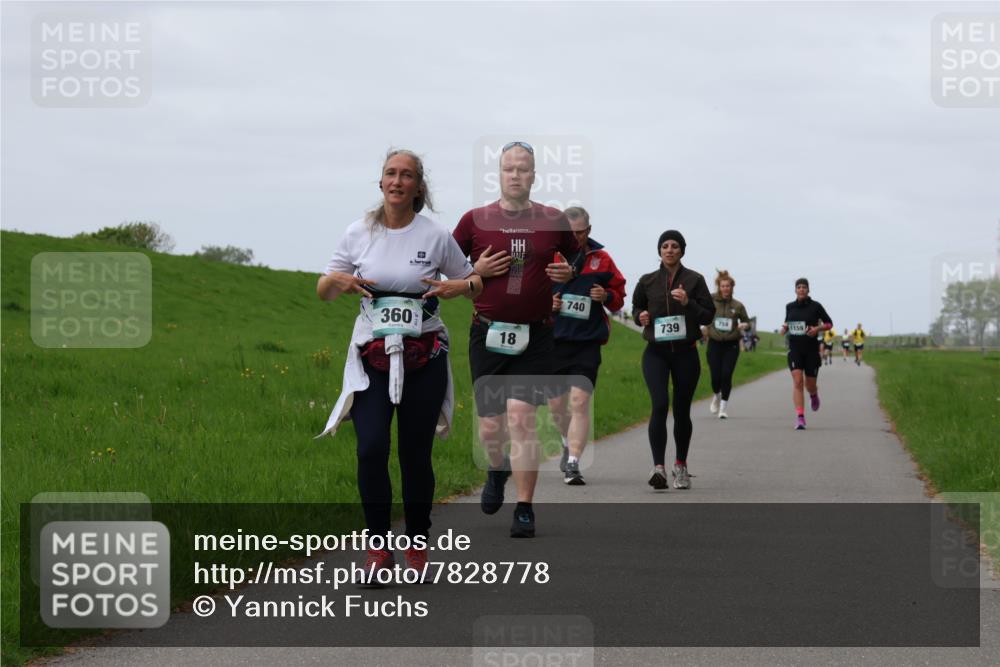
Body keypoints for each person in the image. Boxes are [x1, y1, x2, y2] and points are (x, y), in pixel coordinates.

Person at [317, 149, 481, 581]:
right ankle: (376, 547)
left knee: (414, 453)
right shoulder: (359, 232)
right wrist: (340, 281)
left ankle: (417, 543)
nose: (397, 181)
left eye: (406, 175)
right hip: (372, 354)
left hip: (423, 355)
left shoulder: (436, 235)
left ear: (418, 186)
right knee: (370, 449)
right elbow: (324, 290)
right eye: (390, 173)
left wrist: (455, 287)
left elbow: (474, 283)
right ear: (381, 182)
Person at [453, 141, 577, 537]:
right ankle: (496, 468)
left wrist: (567, 275)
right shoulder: (475, 220)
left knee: (522, 419)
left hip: (536, 335)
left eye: (523, 169)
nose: (516, 175)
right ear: (499, 173)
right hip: (486, 334)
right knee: (491, 429)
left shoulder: (553, 219)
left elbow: (575, 257)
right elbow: (450, 268)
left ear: (534, 175)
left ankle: (524, 507)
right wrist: (475, 268)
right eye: (509, 168)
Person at [549, 206, 627, 484]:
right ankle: (565, 440)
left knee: (580, 402)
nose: (576, 238)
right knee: (557, 407)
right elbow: (526, 294)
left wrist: (605, 295)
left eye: (580, 233)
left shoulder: (602, 260)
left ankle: (573, 463)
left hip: (587, 342)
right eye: (570, 233)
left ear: (589, 231)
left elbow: (619, 298)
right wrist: (549, 304)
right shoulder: (550, 257)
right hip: (553, 341)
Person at [633, 230, 714, 490]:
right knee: (659, 405)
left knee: (681, 411)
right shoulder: (647, 281)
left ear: (682, 251)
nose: (669, 250)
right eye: (665, 246)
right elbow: (636, 308)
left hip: (686, 352)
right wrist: (640, 316)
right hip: (656, 353)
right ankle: (659, 468)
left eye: (675, 246)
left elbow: (707, 316)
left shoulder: (694, 280)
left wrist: (689, 302)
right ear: (659, 251)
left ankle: (681, 465)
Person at [780, 278, 833, 430]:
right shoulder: (789, 307)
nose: (801, 289)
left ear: (808, 290)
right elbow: (788, 323)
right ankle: (800, 417)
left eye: (804, 287)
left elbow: (829, 324)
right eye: (799, 287)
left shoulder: (816, 306)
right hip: (795, 349)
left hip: (811, 350)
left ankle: (814, 394)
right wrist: (785, 328)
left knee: (810, 385)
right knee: (797, 382)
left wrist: (817, 329)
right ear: (795, 290)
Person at [703, 270, 751, 420]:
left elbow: (748, 322)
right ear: (719, 286)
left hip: (731, 345)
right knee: (715, 377)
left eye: (728, 286)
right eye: (723, 286)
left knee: (726, 375)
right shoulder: (710, 300)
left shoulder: (737, 306)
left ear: (732, 288)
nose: (725, 288)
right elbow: (701, 312)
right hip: (714, 343)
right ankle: (716, 396)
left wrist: (744, 325)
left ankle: (723, 408)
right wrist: (703, 326)